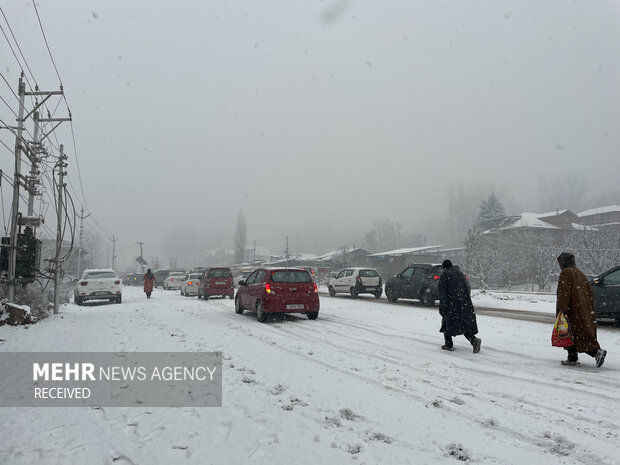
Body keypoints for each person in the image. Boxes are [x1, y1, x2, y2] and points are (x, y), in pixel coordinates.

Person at [556, 252, 607, 368]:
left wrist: (562, 309)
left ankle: (595, 352)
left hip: (572, 309)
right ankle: (574, 357)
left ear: (563, 262)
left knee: (568, 333)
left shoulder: (566, 273)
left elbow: (564, 293)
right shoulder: (580, 273)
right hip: (582, 309)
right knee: (578, 334)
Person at [438, 260, 481, 353]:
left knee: (446, 323)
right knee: (464, 324)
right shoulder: (460, 273)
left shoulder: (445, 275)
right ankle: (473, 340)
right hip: (464, 303)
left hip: (451, 303)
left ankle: (448, 344)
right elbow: (467, 287)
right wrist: (464, 300)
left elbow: (442, 292)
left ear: (444, 267)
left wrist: (443, 306)